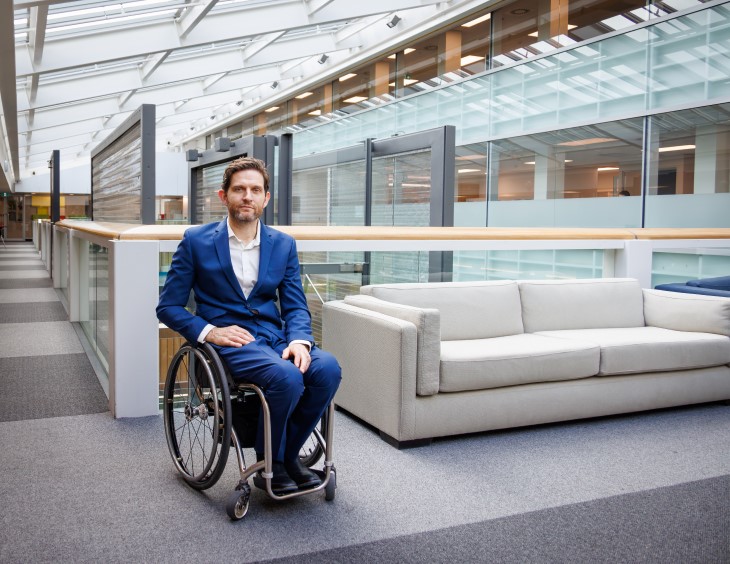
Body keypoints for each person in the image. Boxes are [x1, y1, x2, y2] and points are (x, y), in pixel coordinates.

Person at [157, 157, 341, 495]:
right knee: (286, 377)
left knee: (327, 368)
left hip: (275, 337)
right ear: (223, 196)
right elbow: (167, 306)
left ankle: (284, 455)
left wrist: (300, 340)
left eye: (255, 190)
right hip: (229, 343)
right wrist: (209, 332)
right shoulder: (196, 241)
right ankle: (269, 459)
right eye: (239, 189)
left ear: (266, 198)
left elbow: (295, 303)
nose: (247, 196)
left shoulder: (283, 244)